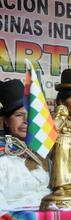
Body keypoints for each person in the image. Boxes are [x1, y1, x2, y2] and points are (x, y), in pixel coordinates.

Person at [0, 79, 50, 209]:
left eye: (30, 115)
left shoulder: (41, 154)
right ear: (6, 121)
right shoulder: (2, 157)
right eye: (19, 115)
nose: (26, 121)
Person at [49, 105, 71, 196]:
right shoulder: (55, 122)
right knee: (60, 166)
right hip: (60, 145)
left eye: (64, 110)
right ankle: (59, 186)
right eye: (61, 110)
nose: (63, 111)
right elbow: (52, 133)